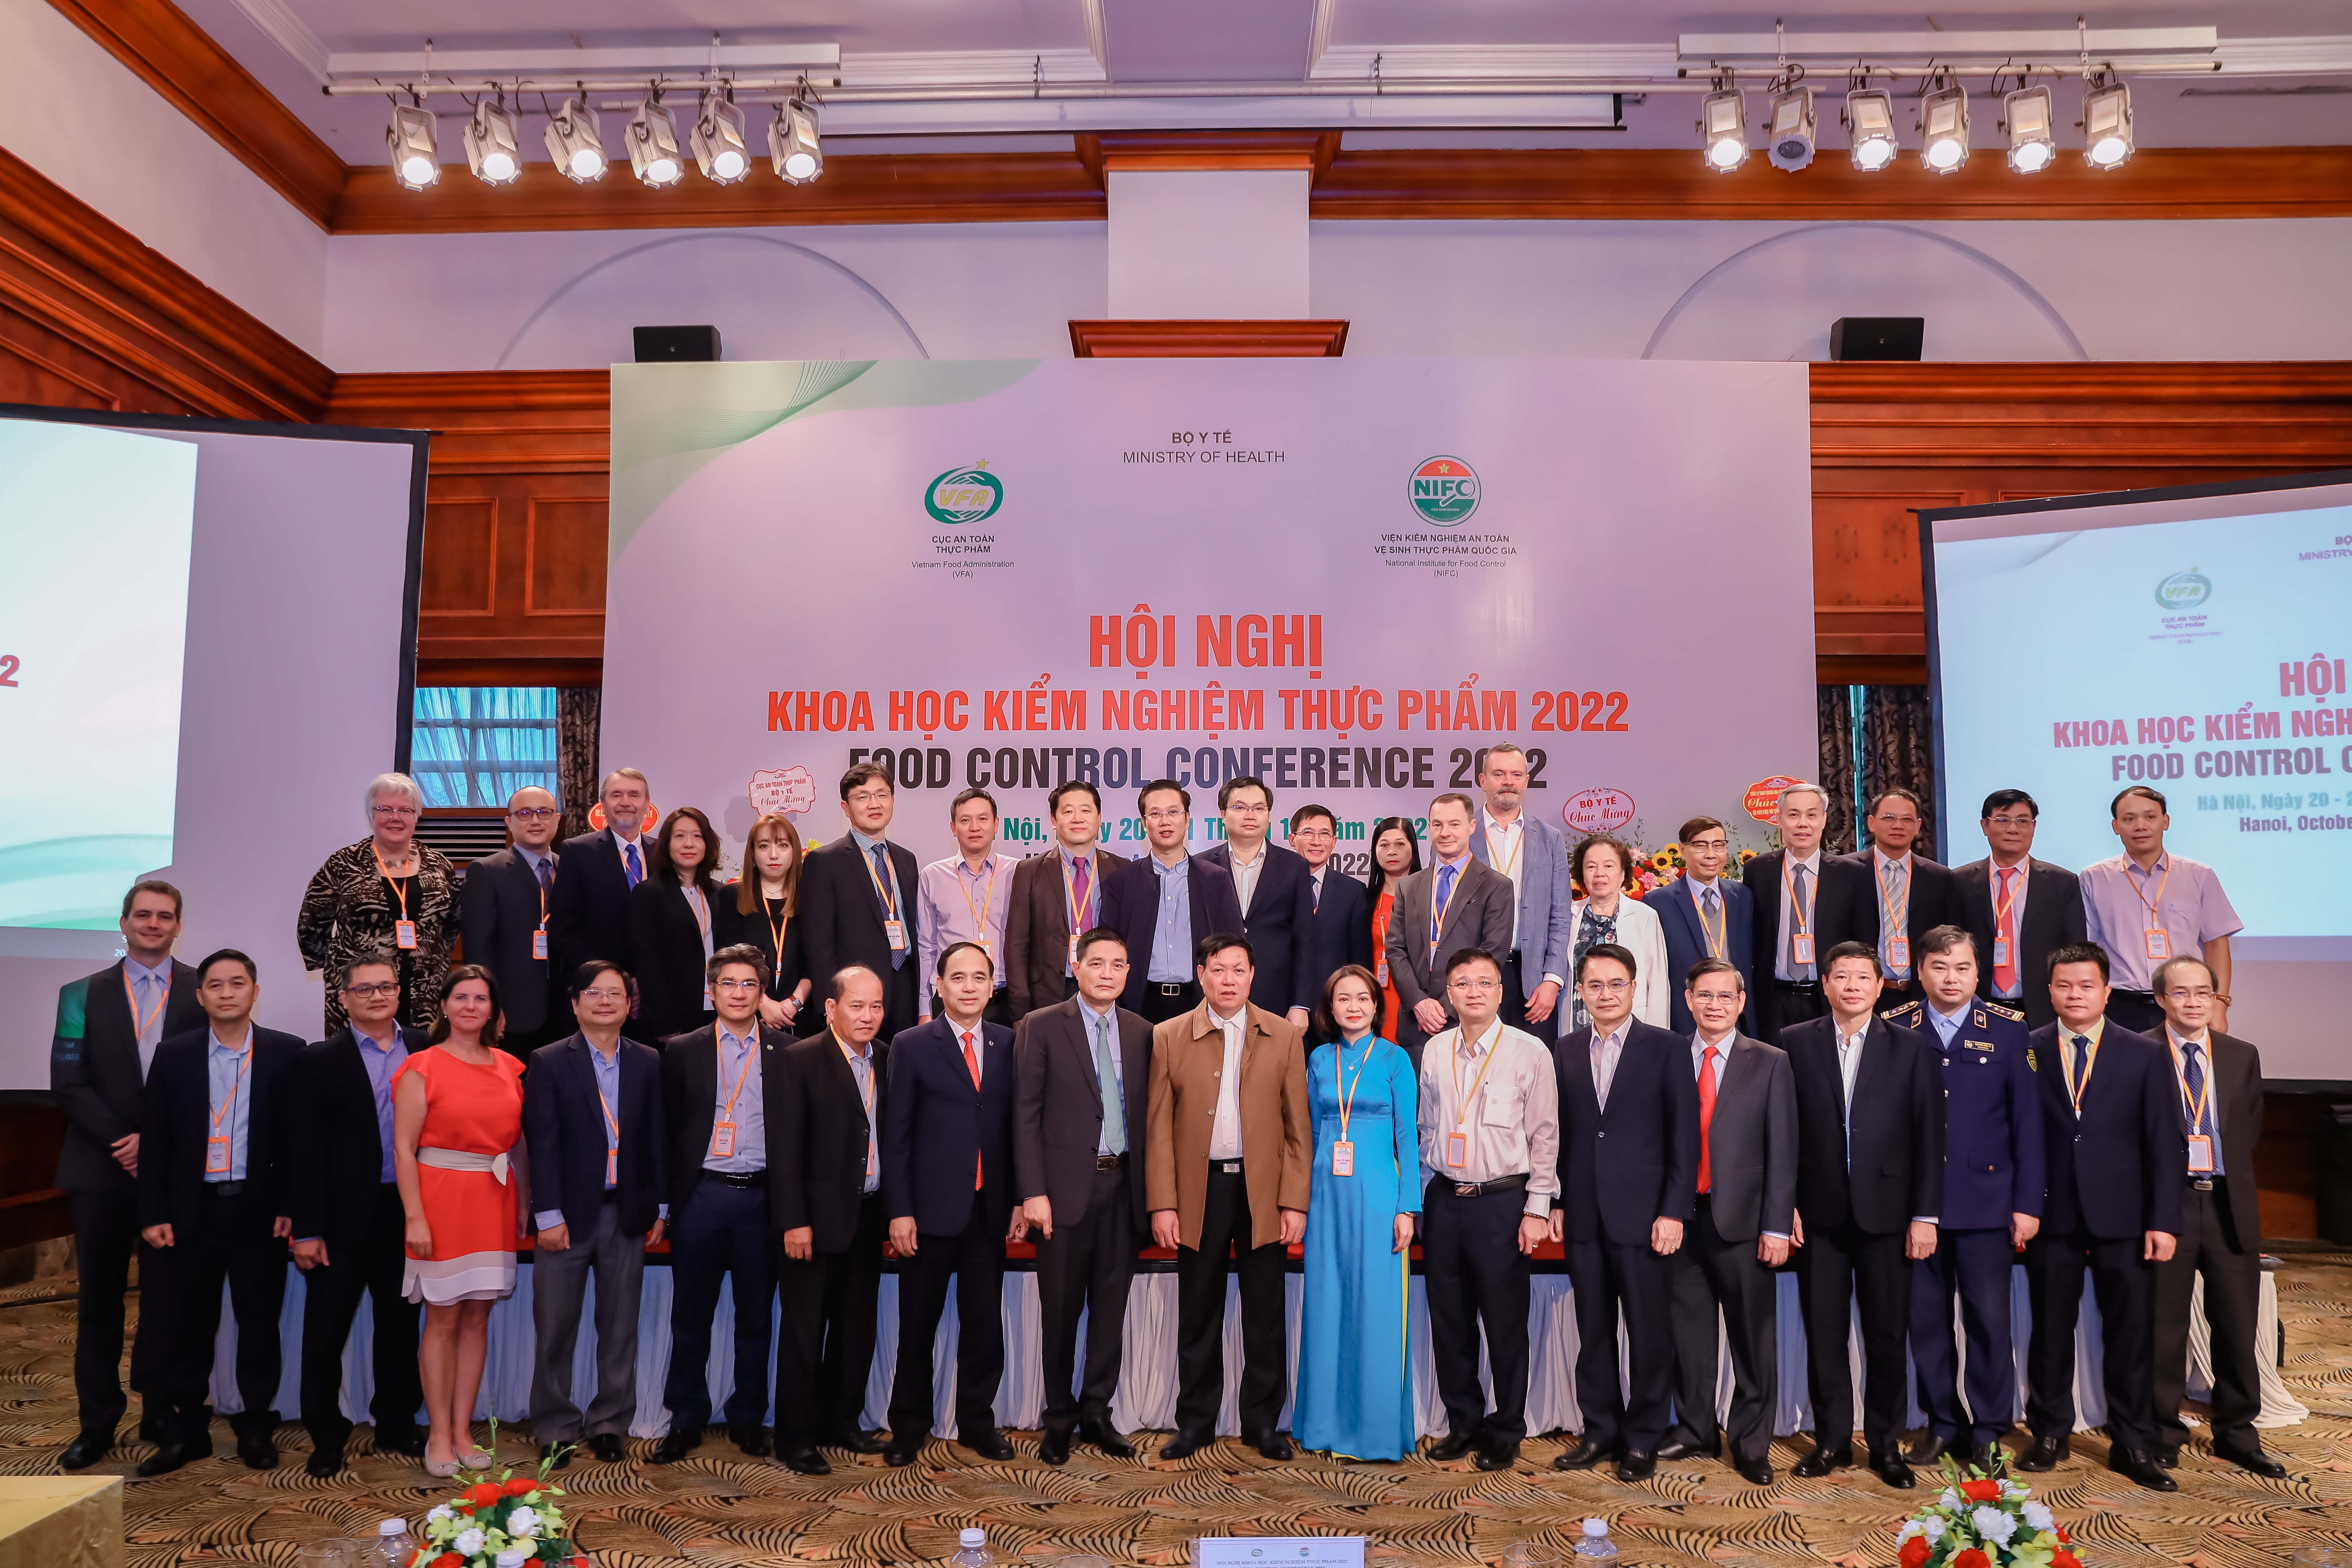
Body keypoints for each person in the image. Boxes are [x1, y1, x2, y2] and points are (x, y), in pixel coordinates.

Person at [1880, 928, 2043, 1474]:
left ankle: (1989, 1429)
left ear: (1980, 974)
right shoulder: (1896, 1027)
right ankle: (1943, 1422)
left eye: (1962, 968)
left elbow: (2028, 1127)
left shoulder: (2007, 1031)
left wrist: (2028, 1205)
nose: (1951, 979)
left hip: (1987, 1204)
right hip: (1915, 1209)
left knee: (1989, 1321)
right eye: (1939, 968)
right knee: (1926, 1322)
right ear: (1920, 972)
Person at [1781, 942, 1943, 1488]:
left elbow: (1928, 1137)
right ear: (1825, 984)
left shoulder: (1912, 1048)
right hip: (1820, 1217)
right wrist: (1787, 1206)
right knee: (1824, 1335)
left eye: (1862, 977)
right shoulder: (1793, 1045)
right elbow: (1784, 1137)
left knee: (1887, 1337)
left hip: (1891, 1216)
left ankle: (1884, 1444)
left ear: (1881, 986)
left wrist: (1926, 1217)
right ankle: (1831, 1442)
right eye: (1840, 976)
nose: (1851, 986)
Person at [53, 879, 201, 1471]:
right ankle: (97, 1423)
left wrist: (158, 1145)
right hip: (99, 1170)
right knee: (99, 1304)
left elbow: (211, 1079)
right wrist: (124, 1142)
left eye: (165, 916)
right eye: (144, 915)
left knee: (169, 1304)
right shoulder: (78, 993)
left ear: (178, 925)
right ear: (123, 922)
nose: (154, 924)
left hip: (173, 1176)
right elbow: (68, 1081)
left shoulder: (202, 988)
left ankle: (162, 1417)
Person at [2020, 942, 2180, 1491]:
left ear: (2107, 991)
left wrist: (2164, 1220)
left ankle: (2134, 1441)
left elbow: (2166, 1144)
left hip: (2127, 1216)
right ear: (2050, 991)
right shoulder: (2030, 1048)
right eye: (2064, 985)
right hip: (2052, 1213)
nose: (2075, 995)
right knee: (2049, 1329)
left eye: (2086, 986)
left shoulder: (2144, 1052)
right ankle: (2049, 1432)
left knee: (2131, 1332)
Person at [133, 950, 301, 1476]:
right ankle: (189, 1430)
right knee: (188, 1323)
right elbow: (155, 1141)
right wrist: (153, 1212)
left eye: (238, 983)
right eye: (215, 985)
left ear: (255, 991)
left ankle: (255, 1426)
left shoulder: (286, 1053)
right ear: (200, 994)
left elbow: (301, 1143)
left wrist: (292, 1206)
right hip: (190, 1213)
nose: (227, 993)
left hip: (258, 1213)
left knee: (258, 1325)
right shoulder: (175, 1054)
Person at [1147, 933, 1313, 1462]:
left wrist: (1295, 1202)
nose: (1228, 981)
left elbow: (1297, 1129)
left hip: (1262, 1192)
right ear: (1201, 975)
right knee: (1198, 1311)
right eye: (1218, 971)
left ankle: (1263, 1424)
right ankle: (1195, 1422)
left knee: (1265, 1312)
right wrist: (1164, 1204)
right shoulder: (1170, 1035)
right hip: (1200, 1192)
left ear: (1252, 975)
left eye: (1238, 971)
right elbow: (1158, 1131)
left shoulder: (1284, 1036)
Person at [1550, 943, 1698, 1482]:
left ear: (1635, 989)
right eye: (1595, 985)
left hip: (1646, 1219)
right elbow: (1560, 1135)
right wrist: (1559, 1201)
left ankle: (1643, 1438)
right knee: (1593, 1332)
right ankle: (1600, 1431)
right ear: (1581, 991)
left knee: (1649, 1334)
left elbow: (1684, 1140)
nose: (1606, 994)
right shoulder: (1564, 1050)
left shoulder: (1665, 1048)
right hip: (1585, 1217)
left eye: (1617, 984)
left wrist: (1674, 1211)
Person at [1012, 930, 1152, 1466]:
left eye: (1118, 965)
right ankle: (1059, 1418)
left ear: (1128, 971)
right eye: (1097, 964)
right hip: (1063, 1194)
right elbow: (1024, 1115)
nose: (1108, 974)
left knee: (1110, 1313)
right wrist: (1033, 1193)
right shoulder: (1043, 1026)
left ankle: (1097, 1413)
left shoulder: (1143, 1032)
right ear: (1077, 966)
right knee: (1062, 1313)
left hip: (1124, 1189)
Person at [285, 953, 428, 1477]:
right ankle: (326, 1435)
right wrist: (307, 1228)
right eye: (364, 989)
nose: (376, 996)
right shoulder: (317, 1060)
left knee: (400, 1325)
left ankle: (396, 1422)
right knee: (325, 1331)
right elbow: (302, 1151)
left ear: (398, 992)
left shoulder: (427, 1047)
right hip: (340, 1219)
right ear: (342, 998)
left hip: (407, 1211)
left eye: (386, 986)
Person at [1417, 948, 1559, 1471]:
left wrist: (1537, 1209)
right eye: (1462, 983)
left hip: (1503, 1203)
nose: (1473, 992)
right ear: (1448, 994)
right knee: (1449, 1322)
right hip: (1444, 1201)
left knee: (1504, 1325)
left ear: (1501, 992)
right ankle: (1464, 1423)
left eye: (1484, 982)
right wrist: (1421, 1200)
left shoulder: (1529, 1052)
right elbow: (1427, 1130)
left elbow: (1546, 1137)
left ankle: (1507, 1428)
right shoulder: (1433, 1050)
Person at [881, 942, 1022, 1466]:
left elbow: (1015, 1131)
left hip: (989, 1212)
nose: (969, 987)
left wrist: (1018, 1200)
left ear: (992, 985)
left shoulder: (1011, 1043)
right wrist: (900, 1210)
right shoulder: (912, 1044)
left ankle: (977, 1424)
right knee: (917, 1327)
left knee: (984, 1327)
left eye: (979, 978)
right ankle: (909, 1428)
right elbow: (896, 1137)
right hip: (928, 1214)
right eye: (958, 978)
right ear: (938, 985)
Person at [525, 961, 668, 1465]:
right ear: (575, 1003)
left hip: (626, 1213)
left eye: (616, 994)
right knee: (556, 1328)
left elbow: (657, 1139)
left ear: (630, 1005)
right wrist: (546, 1215)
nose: (605, 1001)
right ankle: (555, 1425)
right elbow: (540, 1143)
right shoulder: (548, 1061)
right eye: (594, 993)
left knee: (620, 1326)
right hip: (566, 1218)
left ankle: (610, 1421)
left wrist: (662, 1206)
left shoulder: (649, 1060)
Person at [2148, 956, 2285, 1478]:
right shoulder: (2140, 1053)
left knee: (2237, 1324)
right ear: (2161, 999)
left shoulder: (2241, 1055)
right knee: (2164, 1327)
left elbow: (2248, 1130)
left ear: (2216, 999)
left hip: (2230, 1205)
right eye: (2180, 993)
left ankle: (2237, 1433)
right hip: (2169, 1206)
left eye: (2203, 993)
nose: (2192, 1003)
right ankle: (2162, 1430)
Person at [1659, 959, 1794, 1487]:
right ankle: (1695, 1429)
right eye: (1704, 995)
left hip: (1744, 1222)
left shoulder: (1770, 1061)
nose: (1714, 1005)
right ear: (1688, 999)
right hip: (1682, 1220)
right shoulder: (1668, 1056)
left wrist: (1777, 1226)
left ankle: (1751, 1443)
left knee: (1752, 1340)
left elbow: (1783, 1150)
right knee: (1688, 1337)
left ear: (1741, 1002)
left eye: (1725, 996)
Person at [655, 945, 789, 1464]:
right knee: (691, 1315)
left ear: (762, 994)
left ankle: (749, 1418)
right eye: (728, 984)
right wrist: (667, 1205)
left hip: (760, 1198)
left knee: (756, 1316)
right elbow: (666, 1131)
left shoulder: (784, 1050)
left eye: (749, 985)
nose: (739, 993)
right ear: (711, 992)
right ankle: (685, 1418)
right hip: (703, 1196)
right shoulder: (682, 1050)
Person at [392, 965, 529, 1477]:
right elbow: (405, 1150)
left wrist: (523, 1204)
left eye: (481, 998)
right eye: (461, 997)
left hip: (492, 1201)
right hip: (439, 1201)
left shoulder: (511, 1068)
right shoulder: (421, 1067)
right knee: (443, 1320)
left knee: (477, 1319)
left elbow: (517, 1146)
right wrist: (415, 1218)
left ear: (492, 1009)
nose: (471, 1006)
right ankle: (438, 1435)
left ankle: (462, 1428)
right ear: (445, 1007)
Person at [1293, 965, 1419, 1462]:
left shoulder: (1395, 1059)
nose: (1353, 1006)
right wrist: (1300, 1201)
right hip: (1327, 1194)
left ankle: (1376, 1433)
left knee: (1377, 1307)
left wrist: (1408, 1206)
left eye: (1363, 998)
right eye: (1343, 998)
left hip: (1379, 1192)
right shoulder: (1320, 1059)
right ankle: (1323, 1427)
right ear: (1329, 1008)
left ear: (1376, 1005)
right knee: (1327, 1304)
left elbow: (1408, 1137)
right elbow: (1309, 1134)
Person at [772, 965, 892, 1474]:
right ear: (831, 1008)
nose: (868, 1016)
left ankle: (840, 1421)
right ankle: (794, 1437)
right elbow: (784, 1150)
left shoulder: (887, 1059)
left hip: (868, 1214)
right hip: (813, 1223)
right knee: (804, 1332)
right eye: (857, 1006)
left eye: (877, 1006)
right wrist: (794, 1220)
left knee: (856, 1327)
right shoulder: (799, 1060)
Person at [297, 772, 456, 1032]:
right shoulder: (343, 864)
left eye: (406, 810)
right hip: (362, 992)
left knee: (422, 1066)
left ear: (417, 816)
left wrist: (430, 957)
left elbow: (451, 924)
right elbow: (311, 926)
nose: (396, 818)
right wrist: (347, 966)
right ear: (370, 815)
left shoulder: (439, 865)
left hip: (425, 991)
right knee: (357, 1067)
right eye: (385, 809)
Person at [2080, 786, 2243, 1036]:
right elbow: (2088, 950)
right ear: (2116, 826)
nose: (2140, 826)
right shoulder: (2094, 878)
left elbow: (2217, 944)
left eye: (2150, 817)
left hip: (2185, 1002)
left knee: (2183, 1074)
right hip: (2119, 1006)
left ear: (2165, 822)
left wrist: (2219, 1006)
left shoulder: (2199, 875)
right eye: (2129, 819)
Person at [1100, 780, 1243, 1024]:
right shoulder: (1122, 881)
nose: (1165, 821)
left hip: (1200, 1002)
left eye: (1174, 812)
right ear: (1144, 824)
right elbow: (1108, 945)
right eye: (1155, 814)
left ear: (1187, 820)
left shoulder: (1216, 879)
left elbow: (1234, 945)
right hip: (1139, 1003)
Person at [1385, 795, 1513, 1063]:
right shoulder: (1409, 886)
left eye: (1454, 825)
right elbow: (1395, 948)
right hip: (1416, 1025)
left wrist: (1444, 1007)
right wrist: (1418, 1002)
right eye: (1437, 825)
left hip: (1467, 1021)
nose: (1445, 833)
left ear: (1472, 826)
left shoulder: (1497, 886)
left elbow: (1492, 954)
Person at [801, 764, 922, 1038]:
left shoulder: (906, 859)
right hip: (854, 998)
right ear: (846, 807)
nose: (874, 804)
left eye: (882, 795)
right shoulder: (824, 861)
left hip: (905, 987)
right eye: (863, 796)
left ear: (893, 801)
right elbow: (818, 944)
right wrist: (829, 1006)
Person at [1746, 783, 1870, 1043]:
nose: (1803, 823)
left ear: (1824, 820)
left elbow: (1863, 940)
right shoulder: (1758, 871)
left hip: (1828, 998)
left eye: (1812, 815)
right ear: (1779, 819)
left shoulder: (1851, 874)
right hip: (1773, 998)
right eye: (1794, 815)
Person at [1954, 789, 2087, 1029]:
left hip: (2042, 1009)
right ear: (1985, 826)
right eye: (2002, 820)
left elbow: (2074, 950)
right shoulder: (1959, 881)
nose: (2013, 829)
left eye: (2023, 821)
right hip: (1976, 1006)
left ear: (2034, 827)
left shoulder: (2062, 882)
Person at [1198, 777, 1316, 1029]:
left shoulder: (1295, 867)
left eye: (1259, 808)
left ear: (1269, 815)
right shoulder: (1202, 866)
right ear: (1223, 813)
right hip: (1216, 993)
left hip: (1276, 993)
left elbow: (1305, 939)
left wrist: (1300, 1005)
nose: (1250, 815)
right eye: (1240, 808)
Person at [1468, 745, 1571, 1031]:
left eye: (1516, 774)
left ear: (1527, 781)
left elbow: (1561, 916)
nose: (1508, 782)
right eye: (1498, 774)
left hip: (1535, 982)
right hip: (1477, 980)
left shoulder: (1550, 839)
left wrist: (1552, 979)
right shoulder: (1461, 834)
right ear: (1483, 781)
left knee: (1533, 1074)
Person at [461, 786, 565, 1058]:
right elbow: (478, 951)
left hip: (568, 1014)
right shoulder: (487, 871)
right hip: (512, 1016)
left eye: (544, 813)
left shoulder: (570, 869)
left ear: (558, 820)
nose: (535, 820)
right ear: (509, 822)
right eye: (525, 813)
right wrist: (490, 1007)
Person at [1007, 780, 1120, 1017]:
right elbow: (1017, 947)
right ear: (1054, 821)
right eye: (1068, 811)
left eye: (1086, 811)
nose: (1077, 818)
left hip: (1108, 992)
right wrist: (1021, 1012)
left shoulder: (1122, 870)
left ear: (1100, 818)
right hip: (1048, 996)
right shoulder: (1029, 871)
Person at [1847, 788, 1958, 1007]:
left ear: (1917, 826)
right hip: (1863, 993)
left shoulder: (1939, 877)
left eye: (1907, 820)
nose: (1898, 826)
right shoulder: (1847, 871)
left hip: (1922, 995)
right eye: (1889, 818)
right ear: (1871, 823)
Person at [916, 789, 1016, 1026]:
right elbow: (926, 946)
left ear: (996, 825)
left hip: (1005, 999)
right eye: (965, 820)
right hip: (950, 1000)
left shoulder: (1018, 873)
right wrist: (924, 1007)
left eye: (983, 819)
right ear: (953, 828)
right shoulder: (932, 876)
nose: (975, 827)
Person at [627, 805, 725, 1041]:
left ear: (708, 844)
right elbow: (648, 963)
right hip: (673, 1019)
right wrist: (664, 1023)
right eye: (680, 836)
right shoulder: (649, 894)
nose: (689, 844)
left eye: (697, 836)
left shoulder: (721, 893)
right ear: (666, 844)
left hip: (718, 1010)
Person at [549, 768, 656, 979]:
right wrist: (605, 976)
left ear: (647, 804)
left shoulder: (663, 853)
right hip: (597, 984)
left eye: (634, 795)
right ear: (603, 805)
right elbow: (564, 927)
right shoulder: (577, 852)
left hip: (654, 986)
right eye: (616, 795)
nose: (625, 802)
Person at [1564, 835, 1668, 1032]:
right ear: (1582, 874)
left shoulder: (1644, 916)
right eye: (1591, 867)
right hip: (1578, 1025)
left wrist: (1657, 1036)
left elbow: (1658, 981)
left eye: (1609, 866)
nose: (1599, 874)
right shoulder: (1568, 915)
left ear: (1623, 874)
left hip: (1633, 1025)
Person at [1293, 804, 1374, 1045]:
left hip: (1334, 1015)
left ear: (1335, 841)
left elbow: (1360, 962)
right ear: (1292, 839)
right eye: (1308, 833)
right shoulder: (1273, 887)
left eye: (1325, 834)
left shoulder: (1353, 892)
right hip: (1283, 1012)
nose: (1316, 841)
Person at [734, 812, 815, 1034]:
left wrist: (793, 1004)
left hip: (802, 1019)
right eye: (763, 846)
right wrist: (763, 1004)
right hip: (748, 1016)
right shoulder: (732, 897)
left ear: (795, 851)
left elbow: (818, 958)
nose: (773, 855)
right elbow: (728, 959)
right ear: (752, 854)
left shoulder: (812, 898)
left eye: (782, 845)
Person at [1364, 818, 1422, 1041]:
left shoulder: (1429, 896)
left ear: (1413, 849)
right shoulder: (1364, 898)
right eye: (1384, 845)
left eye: (1400, 845)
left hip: (1414, 992)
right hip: (1374, 991)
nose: (1392, 852)